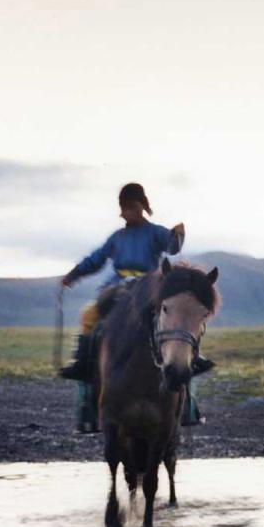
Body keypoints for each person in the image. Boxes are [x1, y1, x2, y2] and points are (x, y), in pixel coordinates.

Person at [59, 183, 213, 433]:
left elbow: (173, 246)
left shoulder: (154, 232)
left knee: (176, 318)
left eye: (132, 206)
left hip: (149, 286)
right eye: (124, 208)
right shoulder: (117, 237)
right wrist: (74, 274)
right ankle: (83, 367)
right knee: (88, 315)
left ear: (142, 206)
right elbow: (96, 259)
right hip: (118, 285)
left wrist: (177, 235)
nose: (128, 212)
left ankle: (190, 374)